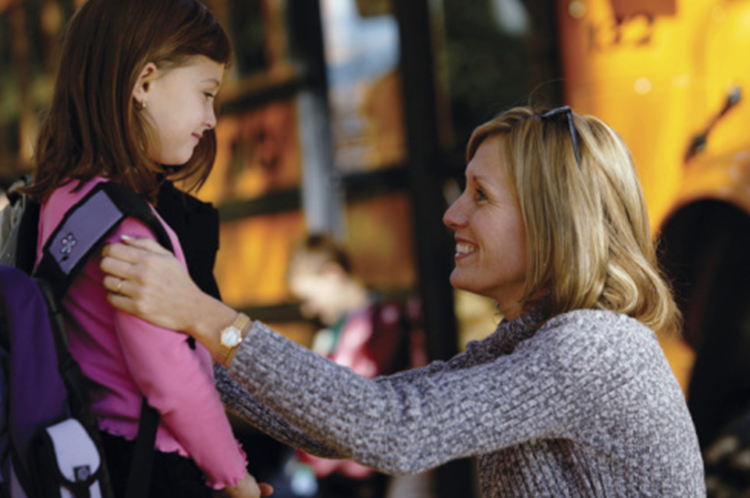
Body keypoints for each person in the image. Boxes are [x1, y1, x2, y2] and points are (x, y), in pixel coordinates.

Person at [99, 105, 706, 496]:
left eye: (481, 196)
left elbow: (395, 430)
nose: (452, 214)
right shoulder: (529, 342)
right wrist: (184, 351)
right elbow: (346, 426)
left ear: (553, 222)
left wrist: (205, 318)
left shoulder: (596, 349)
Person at [20, 0, 269, 496]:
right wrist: (235, 478)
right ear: (145, 82)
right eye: (205, 93)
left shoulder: (62, 199)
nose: (211, 119)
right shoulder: (125, 227)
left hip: (99, 453)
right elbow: (171, 376)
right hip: (153, 466)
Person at [283, 233, 418, 498]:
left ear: (333, 275)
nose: (308, 310)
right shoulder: (330, 334)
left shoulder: (386, 323)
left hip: (363, 472)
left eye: (309, 297)